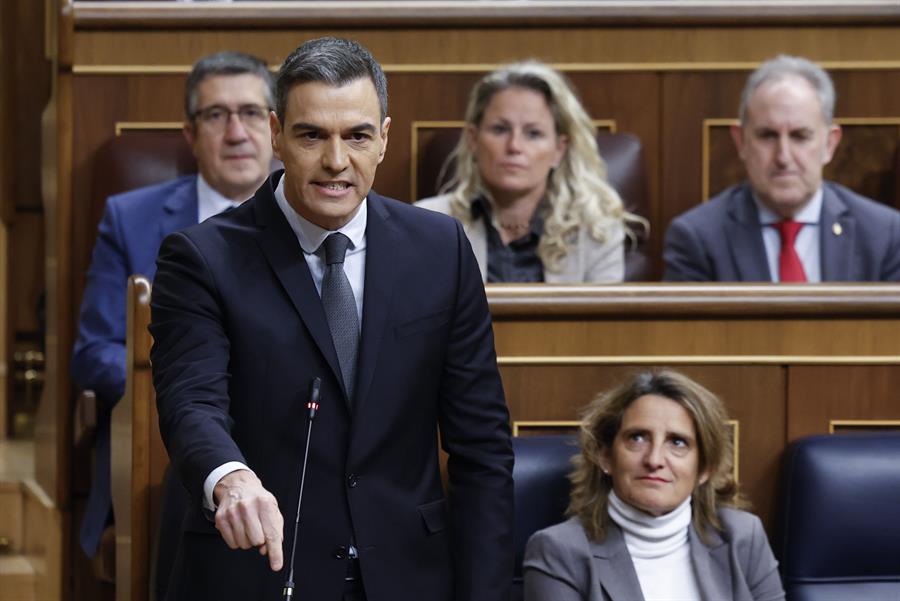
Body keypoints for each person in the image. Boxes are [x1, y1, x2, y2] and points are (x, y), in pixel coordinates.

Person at [149, 37, 514, 601]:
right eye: (312, 134)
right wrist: (230, 477)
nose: (336, 161)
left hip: (407, 577)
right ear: (276, 134)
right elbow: (190, 401)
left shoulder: (440, 249)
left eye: (357, 136)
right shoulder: (202, 257)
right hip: (259, 573)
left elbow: (482, 448)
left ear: (385, 139)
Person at [71, 50, 274, 569]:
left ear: (274, 126)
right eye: (216, 115)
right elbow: (95, 352)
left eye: (251, 113)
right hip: (162, 444)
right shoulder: (131, 217)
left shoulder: (322, 215)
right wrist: (185, 392)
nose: (236, 132)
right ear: (190, 133)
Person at [523, 370, 785, 601]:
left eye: (678, 442)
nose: (655, 459)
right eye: (637, 438)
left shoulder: (743, 537)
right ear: (605, 456)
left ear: (705, 468)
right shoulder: (559, 552)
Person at [664, 55, 900, 282]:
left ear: (829, 144)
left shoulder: (884, 235)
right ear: (741, 142)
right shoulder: (697, 239)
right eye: (767, 136)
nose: (783, 156)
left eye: (800, 136)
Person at [417, 61, 642, 283]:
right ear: (474, 140)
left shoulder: (595, 231)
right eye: (500, 129)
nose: (514, 146)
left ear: (558, 149)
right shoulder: (427, 224)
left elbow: (601, 320)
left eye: (533, 133)